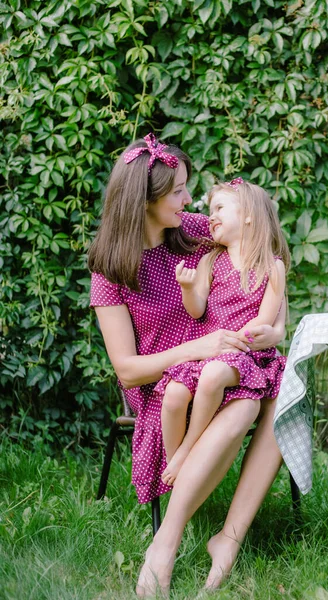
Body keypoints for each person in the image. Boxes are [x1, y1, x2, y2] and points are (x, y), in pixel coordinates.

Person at [88, 134, 287, 597]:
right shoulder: (110, 268)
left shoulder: (194, 229)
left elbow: (264, 254)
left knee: (284, 394)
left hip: (223, 363)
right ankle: (171, 539)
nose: (189, 199)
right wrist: (198, 348)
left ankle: (226, 539)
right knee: (242, 407)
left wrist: (273, 326)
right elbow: (127, 370)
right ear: (146, 198)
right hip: (163, 385)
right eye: (178, 190)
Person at [157, 178, 290, 487]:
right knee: (175, 394)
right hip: (210, 352)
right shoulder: (210, 260)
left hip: (246, 357)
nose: (210, 216)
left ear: (248, 214)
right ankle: (179, 471)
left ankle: (187, 452)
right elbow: (196, 310)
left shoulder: (272, 266)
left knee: (215, 374)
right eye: (210, 209)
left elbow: (264, 321)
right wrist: (188, 288)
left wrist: (234, 344)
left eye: (219, 208)